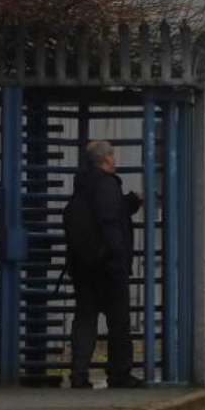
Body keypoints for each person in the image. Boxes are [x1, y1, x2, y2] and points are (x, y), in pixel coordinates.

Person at [68, 140, 145, 389]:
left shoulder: (83, 184)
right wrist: (119, 255)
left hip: (83, 264)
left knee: (85, 317)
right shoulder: (107, 184)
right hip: (108, 266)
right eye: (112, 155)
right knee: (118, 320)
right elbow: (110, 219)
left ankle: (79, 373)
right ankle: (119, 373)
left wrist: (131, 201)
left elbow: (103, 211)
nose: (115, 159)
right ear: (106, 159)